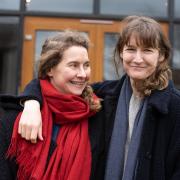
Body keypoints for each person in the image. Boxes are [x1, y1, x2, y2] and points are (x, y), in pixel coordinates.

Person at [6, 15, 180, 180]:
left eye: (147, 50)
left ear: (162, 56)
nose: (138, 58)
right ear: (121, 53)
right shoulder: (106, 95)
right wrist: (32, 103)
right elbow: (53, 84)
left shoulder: (175, 106)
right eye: (131, 49)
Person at [0, 30, 103, 180]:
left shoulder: (97, 113)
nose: (82, 74)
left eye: (86, 65)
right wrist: (32, 102)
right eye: (73, 65)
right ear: (50, 69)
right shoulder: (14, 119)